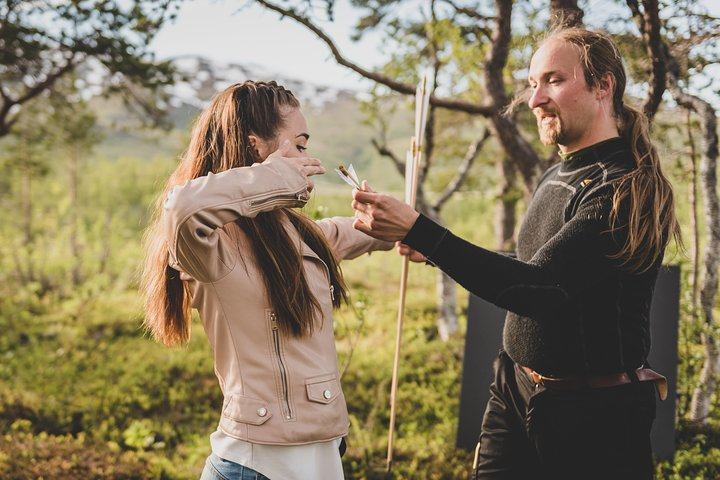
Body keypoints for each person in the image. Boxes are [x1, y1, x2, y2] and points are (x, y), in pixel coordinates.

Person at [351, 27, 680, 480]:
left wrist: (422, 232)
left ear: (604, 85)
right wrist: (434, 251)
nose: (534, 99)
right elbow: (536, 268)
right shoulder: (559, 171)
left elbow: (539, 289)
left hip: (593, 418)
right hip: (514, 388)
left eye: (553, 81)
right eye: (532, 84)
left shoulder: (621, 187)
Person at [141, 80, 391, 480]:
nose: (311, 160)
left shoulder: (291, 234)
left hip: (321, 458)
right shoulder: (210, 246)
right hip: (253, 466)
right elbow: (184, 207)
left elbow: (347, 232)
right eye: (301, 145)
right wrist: (276, 178)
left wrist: (402, 230)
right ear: (257, 147)